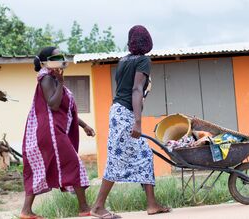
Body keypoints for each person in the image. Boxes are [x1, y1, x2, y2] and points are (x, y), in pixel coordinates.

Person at [91, 26, 171, 218]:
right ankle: (98, 206)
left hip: (117, 112)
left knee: (144, 154)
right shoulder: (143, 60)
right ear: (147, 41)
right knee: (117, 159)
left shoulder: (123, 61)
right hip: (126, 114)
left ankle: (152, 204)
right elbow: (135, 89)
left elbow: (126, 88)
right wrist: (137, 121)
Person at [20, 47, 95, 219]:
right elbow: (53, 105)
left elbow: (65, 110)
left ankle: (26, 210)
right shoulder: (47, 78)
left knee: (43, 167)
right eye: (57, 56)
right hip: (51, 132)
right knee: (74, 163)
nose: (62, 58)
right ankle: (84, 208)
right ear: (47, 61)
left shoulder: (53, 77)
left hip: (54, 130)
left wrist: (84, 125)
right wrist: (61, 82)